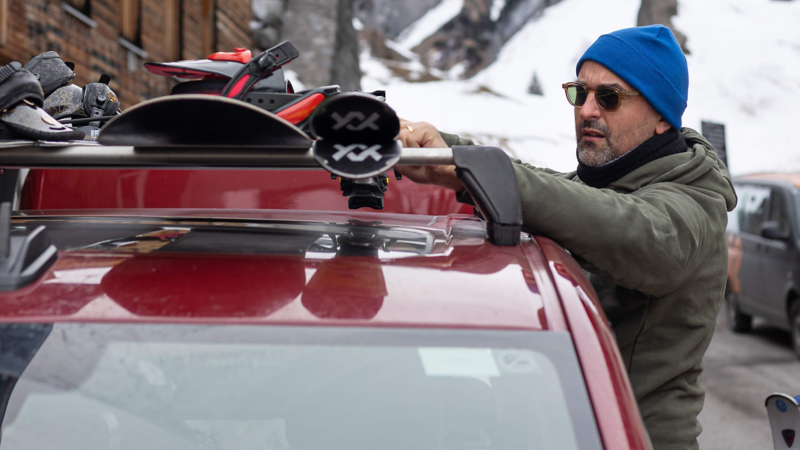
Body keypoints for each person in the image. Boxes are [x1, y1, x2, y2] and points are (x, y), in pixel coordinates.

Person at [396, 25, 737, 450]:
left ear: (662, 117)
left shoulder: (691, 204)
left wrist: (472, 169)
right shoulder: (612, 181)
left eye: (609, 98)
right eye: (580, 93)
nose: (587, 110)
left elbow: (627, 230)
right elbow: (557, 187)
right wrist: (449, 153)